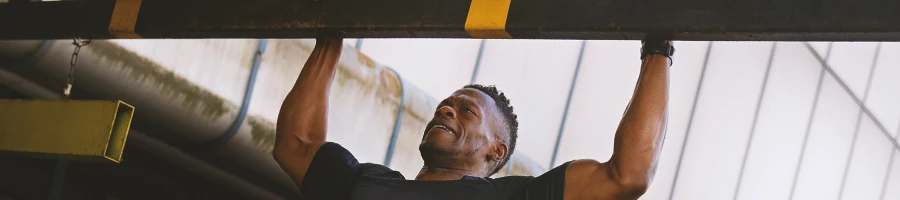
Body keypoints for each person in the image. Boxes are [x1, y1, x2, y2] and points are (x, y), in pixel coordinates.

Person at [273, 37, 673, 200]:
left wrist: (658, 47)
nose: (446, 109)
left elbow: (628, 176)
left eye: (467, 110)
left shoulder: (511, 197)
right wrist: (333, 33)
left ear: (495, 151)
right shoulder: (366, 182)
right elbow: (294, 144)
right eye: (445, 105)